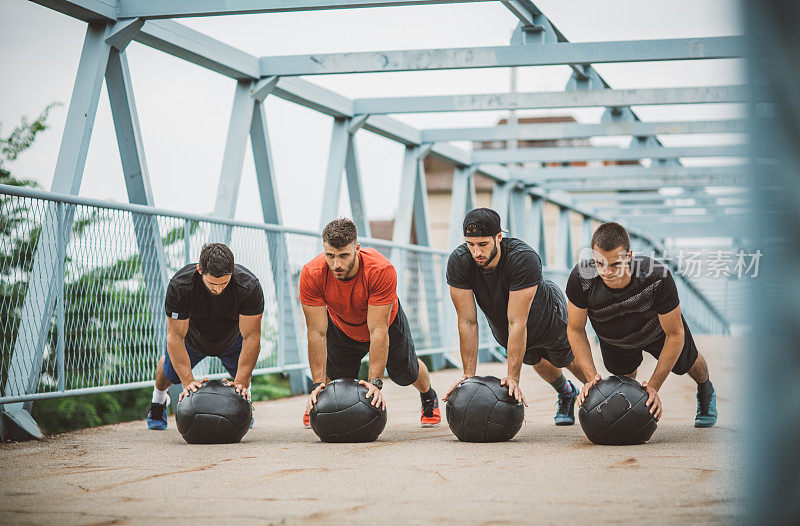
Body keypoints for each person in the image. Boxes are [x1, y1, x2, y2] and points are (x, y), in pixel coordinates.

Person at [444, 208, 593, 425]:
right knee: (534, 358)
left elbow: (518, 321)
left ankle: (601, 395)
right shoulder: (460, 261)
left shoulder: (523, 258)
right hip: (505, 324)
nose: (476, 252)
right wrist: (469, 376)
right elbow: (467, 322)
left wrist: (513, 378)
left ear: (498, 237)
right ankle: (567, 392)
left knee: (566, 358)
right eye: (471, 244)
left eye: (483, 244)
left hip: (547, 315)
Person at [566, 222, 717, 427]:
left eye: (615, 265)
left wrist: (653, 386)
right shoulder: (581, 278)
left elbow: (675, 334)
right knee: (623, 384)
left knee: (689, 364)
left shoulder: (656, 276)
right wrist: (591, 378)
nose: (607, 272)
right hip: (615, 339)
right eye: (600, 263)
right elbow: (575, 329)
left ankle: (705, 388)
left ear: (628, 257)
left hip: (658, 332)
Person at [299, 218, 440, 428]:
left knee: (405, 372)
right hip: (342, 326)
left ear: (357, 248)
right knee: (338, 384)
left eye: (344, 255)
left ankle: (428, 395)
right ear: (324, 250)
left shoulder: (380, 270)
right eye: (330, 256)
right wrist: (319, 384)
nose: (336, 264)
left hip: (386, 324)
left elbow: (378, 330)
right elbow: (317, 333)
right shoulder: (312, 274)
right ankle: (322, 401)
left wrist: (374, 383)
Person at [146, 243, 264, 430]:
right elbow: (175, 336)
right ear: (200, 270)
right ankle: (158, 402)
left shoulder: (248, 286)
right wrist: (188, 382)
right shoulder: (181, 285)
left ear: (232, 272)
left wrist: (240, 382)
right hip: (192, 339)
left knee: (243, 374)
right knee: (169, 371)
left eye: (224, 284)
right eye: (212, 284)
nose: (218, 290)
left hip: (231, 340)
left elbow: (252, 338)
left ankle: (244, 406)